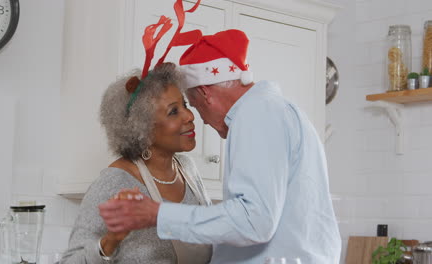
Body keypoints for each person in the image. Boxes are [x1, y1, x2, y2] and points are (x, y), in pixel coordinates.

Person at [108, 29, 342, 263]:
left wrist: (158, 215)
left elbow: (253, 221)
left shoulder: (257, 113)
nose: (200, 119)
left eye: (196, 106)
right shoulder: (276, 111)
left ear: (205, 93)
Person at [59, 62, 213, 264]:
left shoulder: (188, 170)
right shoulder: (114, 181)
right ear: (143, 128)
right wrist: (110, 241)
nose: (190, 116)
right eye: (173, 111)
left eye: (184, 105)